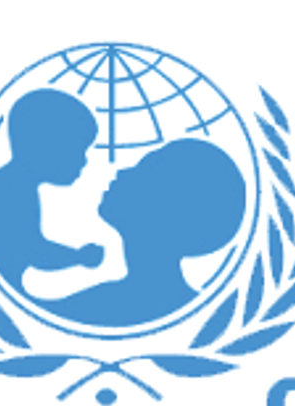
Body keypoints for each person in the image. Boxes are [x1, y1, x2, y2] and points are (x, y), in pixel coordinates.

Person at [43, 138, 245, 326]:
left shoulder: (106, 306)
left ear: (169, 208)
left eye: (145, 170)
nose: (122, 171)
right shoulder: (199, 313)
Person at [0, 88, 103, 293]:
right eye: (76, 149)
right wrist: (79, 257)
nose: (84, 160)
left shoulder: (16, 186)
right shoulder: (6, 192)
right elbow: (34, 252)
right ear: (40, 147)